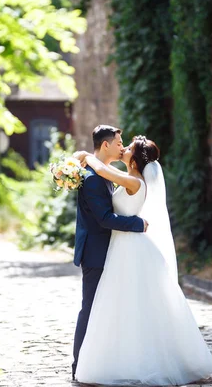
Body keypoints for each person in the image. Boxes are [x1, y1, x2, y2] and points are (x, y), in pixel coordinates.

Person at [72, 135, 212, 386]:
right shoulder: (131, 177)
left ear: (136, 162)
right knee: (125, 307)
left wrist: (85, 157)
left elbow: (101, 169)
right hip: (121, 247)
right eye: (121, 145)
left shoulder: (132, 181)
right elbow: (105, 173)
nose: (123, 149)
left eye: (127, 148)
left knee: (132, 305)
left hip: (130, 246)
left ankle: (140, 360)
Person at [71, 125, 149, 380]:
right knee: (90, 308)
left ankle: (105, 362)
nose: (122, 146)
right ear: (106, 145)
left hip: (115, 252)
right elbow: (104, 219)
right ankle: (79, 365)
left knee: (110, 310)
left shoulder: (105, 173)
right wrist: (139, 224)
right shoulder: (93, 178)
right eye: (118, 143)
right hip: (96, 252)